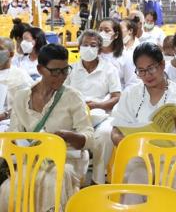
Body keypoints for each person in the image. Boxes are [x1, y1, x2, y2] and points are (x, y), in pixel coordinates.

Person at [0, 44, 94, 212]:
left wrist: (69, 136)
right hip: (29, 160)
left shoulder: (73, 97)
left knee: (51, 184)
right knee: (9, 189)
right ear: (40, 69)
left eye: (65, 70)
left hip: (63, 161)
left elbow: (89, 137)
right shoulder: (22, 97)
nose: (62, 76)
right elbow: (14, 133)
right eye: (55, 71)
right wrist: (19, 143)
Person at [110, 42, 176, 203]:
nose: (147, 75)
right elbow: (116, 130)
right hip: (141, 157)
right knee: (133, 183)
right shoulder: (131, 93)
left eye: (151, 68)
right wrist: (123, 141)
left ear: (162, 65)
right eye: (141, 71)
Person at [66, 30, 121, 184]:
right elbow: (62, 93)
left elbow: (117, 96)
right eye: (85, 45)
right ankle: (73, 179)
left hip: (100, 115)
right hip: (74, 116)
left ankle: (97, 180)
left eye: (93, 45)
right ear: (79, 48)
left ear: (99, 49)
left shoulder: (109, 69)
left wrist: (98, 105)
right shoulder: (71, 70)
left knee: (105, 134)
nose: (88, 48)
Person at [0, 37, 33, 132]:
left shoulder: (20, 76)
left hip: (9, 124)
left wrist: (5, 115)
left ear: (11, 54)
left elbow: (27, 105)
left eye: (0, 48)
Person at [98, 18, 137, 89]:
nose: (102, 34)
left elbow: (131, 84)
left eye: (107, 30)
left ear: (116, 35)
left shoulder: (126, 56)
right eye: (100, 30)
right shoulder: (94, 55)